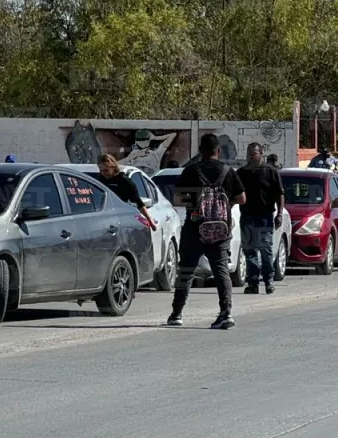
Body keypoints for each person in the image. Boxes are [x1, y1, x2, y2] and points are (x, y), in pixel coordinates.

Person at [168, 132, 246, 329]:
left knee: (186, 270)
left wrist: (198, 204)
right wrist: (222, 205)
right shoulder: (228, 172)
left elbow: (178, 199)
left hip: (194, 226)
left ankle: (177, 313)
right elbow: (242, 199)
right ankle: (226, 312)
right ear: (218, 151)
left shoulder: (191, 171)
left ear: (200, 151)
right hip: (221, 229)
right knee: (221, 270)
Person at [236, 142, 284, 295]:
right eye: (249, 153)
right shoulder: (242, 173)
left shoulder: (270, 172)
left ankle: (268, 281)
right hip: (247, 217)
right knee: (249, 251)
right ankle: (253, 283)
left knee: (265, 250)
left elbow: (280, 194)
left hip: (265, 217)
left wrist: (280, 214)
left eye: (254, 153)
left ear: (261, 154)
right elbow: (235, 194)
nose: (251, 156)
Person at [95, 154, 156, 231]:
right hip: (101, 218)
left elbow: (138, 202)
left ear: (113, 168)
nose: (103, 173)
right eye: (101, 170)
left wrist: (150, 220)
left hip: (121, 219)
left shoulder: (124, 181)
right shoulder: (99, 181)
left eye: (106, 170)